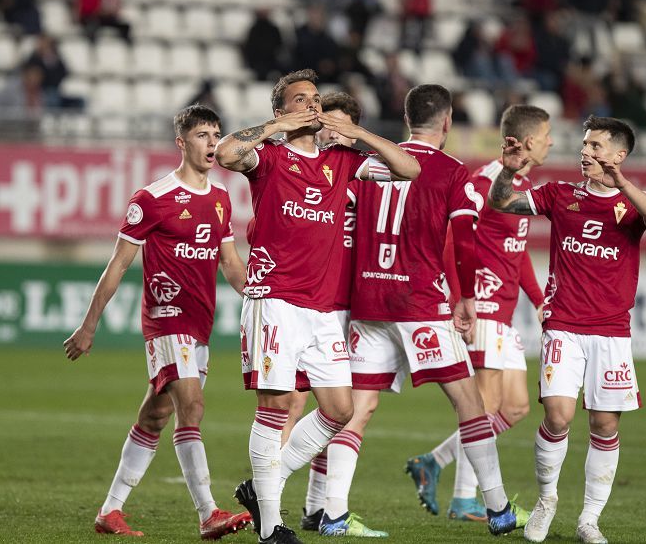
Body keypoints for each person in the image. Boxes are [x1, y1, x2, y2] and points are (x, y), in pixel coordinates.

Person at [215, 69, 420, 544]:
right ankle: (271, 526)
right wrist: (275, 128)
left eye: (314, 99)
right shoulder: (267, 156)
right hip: (275, 300)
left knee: (338, 409)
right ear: (282, 110)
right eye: (300, 99)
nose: (311, 105)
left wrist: (359, 133)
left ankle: (264, 484)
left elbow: (410, 170)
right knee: (275, 406)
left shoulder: (343, 160)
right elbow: (226, 153)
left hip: (325, 308)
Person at [320, 84, 525, 538]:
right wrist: (467, 298)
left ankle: (333, 512)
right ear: (448, 122)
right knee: (471, 404)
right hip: (420, 303)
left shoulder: (369, 163)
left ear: (408, 117)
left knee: (358, 408)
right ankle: (496, 508)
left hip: (369, 300)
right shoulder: (454, 173)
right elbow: (465, 241)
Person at [63, 105, 253, 540]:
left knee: (156, 414)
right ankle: (208, 512)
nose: (212, 143)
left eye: (216, 135)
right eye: (203, 135)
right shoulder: (152, 199)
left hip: (200, 323)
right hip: (166, 319)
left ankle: (110, 511)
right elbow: (116, 266)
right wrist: (89, 325)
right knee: (193, 407)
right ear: (182, 143)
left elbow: (230, 265)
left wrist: (261, 293)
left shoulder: (222, 198)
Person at [488, 115, 646, 544]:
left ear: (618, 155)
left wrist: (622, 183)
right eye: (584, 145)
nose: (585, 152)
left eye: (595, 146)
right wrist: (509, 170)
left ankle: (589, 519)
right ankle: (546, 502)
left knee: (606, 424)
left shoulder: (635, 203)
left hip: (611, 332)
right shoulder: (559, 194)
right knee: (558, 414)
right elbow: (502, 202)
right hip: (564, 325)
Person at [405, 105, 553, 522]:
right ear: (526, 141)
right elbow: (454, 240)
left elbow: (517, 251)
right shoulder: (488, 180)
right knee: (483, 406)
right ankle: (466, 499)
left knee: (517, 408)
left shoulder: (521, 185)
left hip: (504, 314)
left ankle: (432, 462)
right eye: (547, 135)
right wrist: (460, 295)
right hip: (483, 306)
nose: (552, 142)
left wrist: (539, 299)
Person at [281, 92, 364, 532]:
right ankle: (269, 497)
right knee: (292, 403)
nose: (330, 132)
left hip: (354, 308)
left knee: (338, 410)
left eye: (339, 126)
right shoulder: (309, 174)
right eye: (326, 123)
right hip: (309, 303)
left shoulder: (363, 176)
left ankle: (318, 507)